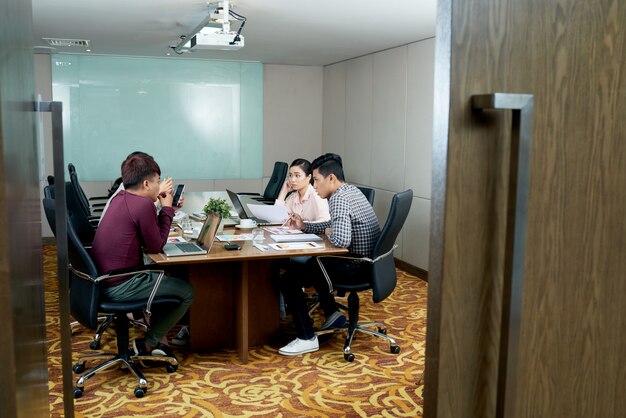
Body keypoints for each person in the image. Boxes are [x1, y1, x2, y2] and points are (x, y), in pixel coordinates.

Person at [90, 153, 195, 359]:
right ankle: (149, 343)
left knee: (169, 279)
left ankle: (154, 336)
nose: (159, 187)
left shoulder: (120, 198)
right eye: (157, 182)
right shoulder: (143, 205)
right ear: (146, 184)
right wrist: (166, 208)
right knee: (187, 291)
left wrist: (166, 209)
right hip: (121, 284)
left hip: (101, 281)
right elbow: (156, 245)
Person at [278, 153, 381, 356]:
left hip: (353, 266)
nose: (315, 186)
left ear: (331, 178)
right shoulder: (351, 190)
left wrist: (327, 232)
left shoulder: (339, 199)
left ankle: (306, 337)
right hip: (368, 264)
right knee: (306, 266)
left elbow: (341, 240)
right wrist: (306, 226)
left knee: (290, 278)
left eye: (316, 180)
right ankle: (332, 313)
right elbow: (335, 227)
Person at [275, 158, 330, 225]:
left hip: (315, 235)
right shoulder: (293, 197)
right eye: (290, 175)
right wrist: (284, 192)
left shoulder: (317, 195)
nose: (292, 180)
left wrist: (302, 225)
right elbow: (277, 219)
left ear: (309, 177)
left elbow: (325, 222)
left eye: (297, 176)